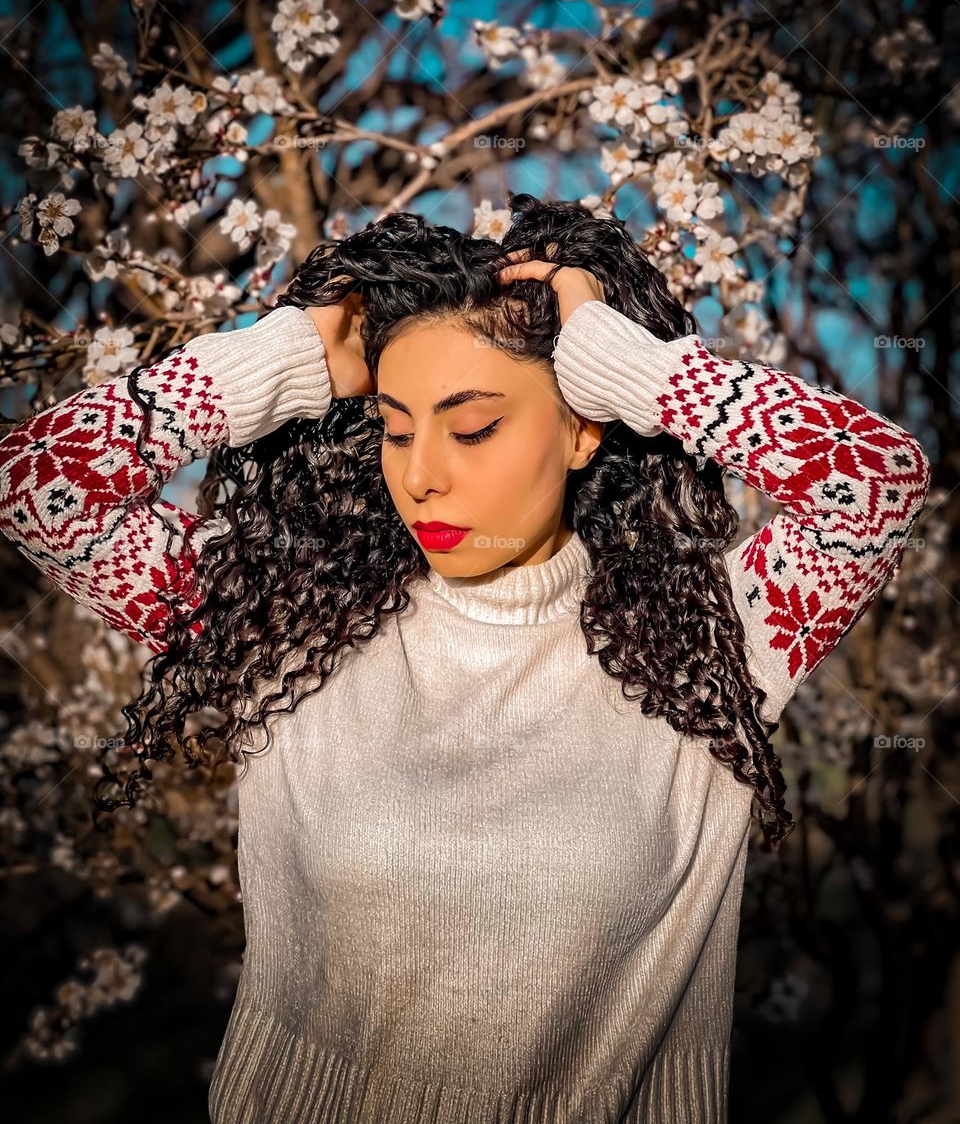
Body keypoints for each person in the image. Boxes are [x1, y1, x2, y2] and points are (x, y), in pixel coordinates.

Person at [0, 194, 931, 1123]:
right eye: (398, 428)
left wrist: (622, 360)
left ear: (580, 427)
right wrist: (287, 356)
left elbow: (875, 482)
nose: (419, 474)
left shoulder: (713, 646)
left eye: (473, 426)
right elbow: (41, 487)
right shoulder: (284, 631)